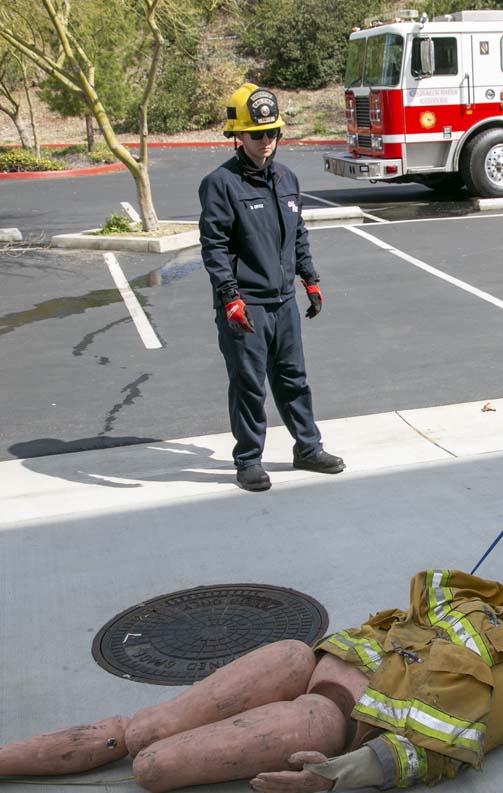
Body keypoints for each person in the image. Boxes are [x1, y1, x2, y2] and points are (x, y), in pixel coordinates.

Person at [0, 569, 503, 793]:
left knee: (156, 767)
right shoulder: (475, 599)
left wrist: (344, 773)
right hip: (305, 659)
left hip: (333, 718)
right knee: (143, 728)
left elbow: (452, 746)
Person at [199, 83, 345, 491]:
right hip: (247, 306)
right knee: (248, 385)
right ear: (238, 137)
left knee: (293, 378)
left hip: (283, 303)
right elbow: (214, 248)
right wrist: (230, 298)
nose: (267, 142)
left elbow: (297, 233)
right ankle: (248, 460)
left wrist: (310, 279)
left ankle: (308, 448)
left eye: (273, 134)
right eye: (257, 135)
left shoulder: (286, 178)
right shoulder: (221, 185)